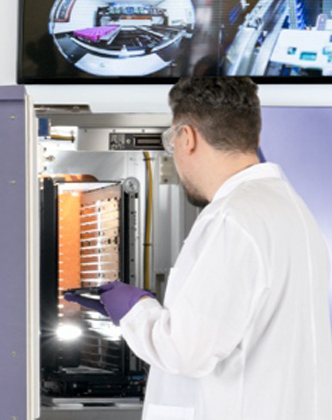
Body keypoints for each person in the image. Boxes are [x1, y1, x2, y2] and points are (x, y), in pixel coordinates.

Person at [65, 77, 332, 420]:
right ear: (254, 137)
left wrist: (134, 309)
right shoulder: (291, 209)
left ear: (186, 137)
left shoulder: (231, 219)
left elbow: (185, 351)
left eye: (170, 140)